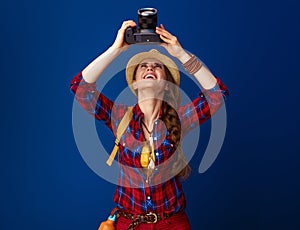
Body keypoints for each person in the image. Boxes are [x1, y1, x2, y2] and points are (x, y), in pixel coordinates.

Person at [70, 20, 229, 230]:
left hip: (173, 224)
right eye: (143, 66)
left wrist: (181, 54)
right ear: (135, 82)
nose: (150, 68)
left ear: (166, 84)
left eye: (157, 66)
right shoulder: (119, 116)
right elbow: (80, 87)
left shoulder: (178, 119)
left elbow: (217, 95)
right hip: (129, 224)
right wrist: (115, 49)